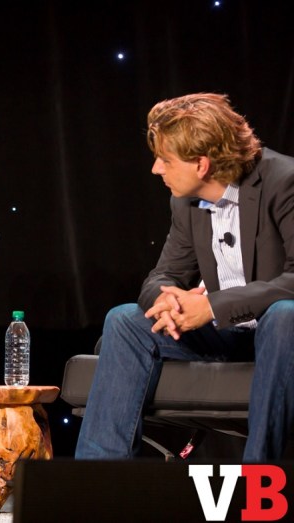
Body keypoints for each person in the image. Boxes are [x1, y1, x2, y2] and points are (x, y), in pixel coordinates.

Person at [75, 93, 294, 462]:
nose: (156, 169)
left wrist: (210, 306)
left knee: (286, 314)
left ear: (201, 164)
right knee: (125, 320)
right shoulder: (185, 200)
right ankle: (98, 479)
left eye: (165, 160)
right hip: (231, 334)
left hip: (280, 333)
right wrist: (168, 300)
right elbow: (164, 274)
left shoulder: (284, 182)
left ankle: (257, 482)